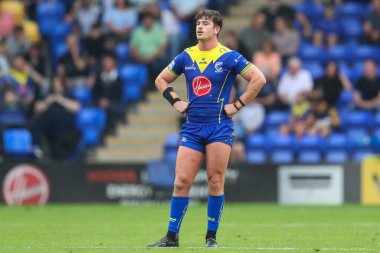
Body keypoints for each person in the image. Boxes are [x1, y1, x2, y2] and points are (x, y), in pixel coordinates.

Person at [147, 9, 266, 248]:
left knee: (214, 180)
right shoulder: (186, 56)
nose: (200, 27)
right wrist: (176, 101)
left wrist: (238, 105)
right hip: (192, 127)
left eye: (205, 23)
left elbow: (259, 79)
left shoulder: (230, 56)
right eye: (198, 23)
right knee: (181, 181)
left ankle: (211, 237)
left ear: (217, 29)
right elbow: (161, 80)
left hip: (219, 127)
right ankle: (172, 238)